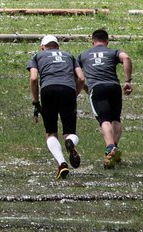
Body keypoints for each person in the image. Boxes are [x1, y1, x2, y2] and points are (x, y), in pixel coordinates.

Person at [28, 35, 86, 178]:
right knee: (69, 131)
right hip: (68, 89)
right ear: (58, 46)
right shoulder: (69, 55)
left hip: (48, 90)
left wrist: (36, 102)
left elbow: (34, 78)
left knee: (51, 132)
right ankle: (70, 142)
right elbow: (81, 78)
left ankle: (62, 164)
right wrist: (74, 94)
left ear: (42, 47)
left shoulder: (37, 56)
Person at [79, 28, 132, 168]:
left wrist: (84, 88)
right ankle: (115, 147)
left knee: (104, 119)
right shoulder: (113, 52)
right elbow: (126, 58)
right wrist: (128, 81)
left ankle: (110, 149)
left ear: (92, 41)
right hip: (114, 87)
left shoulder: (83, 55)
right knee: (116, 118)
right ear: (107, 42)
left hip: (97, 88)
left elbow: (77, 75)